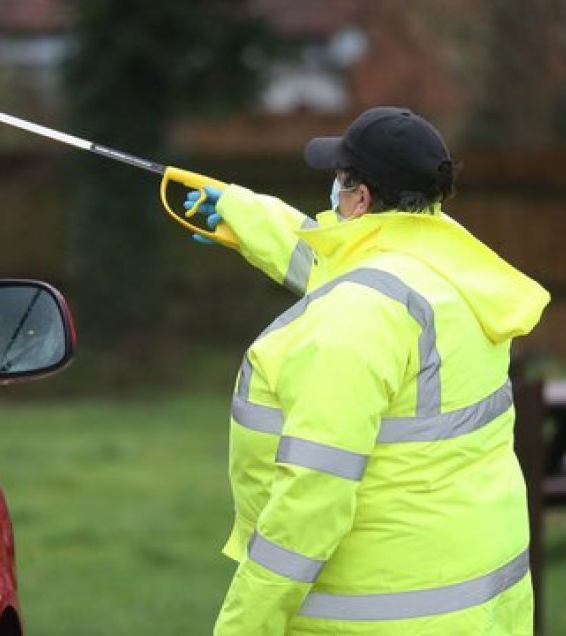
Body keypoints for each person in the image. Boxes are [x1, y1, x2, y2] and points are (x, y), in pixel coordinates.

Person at [185, 107, 549, 635]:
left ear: (359, 197)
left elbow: (309, 505)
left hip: (382, 616)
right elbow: (342, 260)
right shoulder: (449, 267)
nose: (332, 191)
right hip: (477, 608)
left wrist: (242, 627)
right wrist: (245, 215)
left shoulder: (354, 316)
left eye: (340, 177)